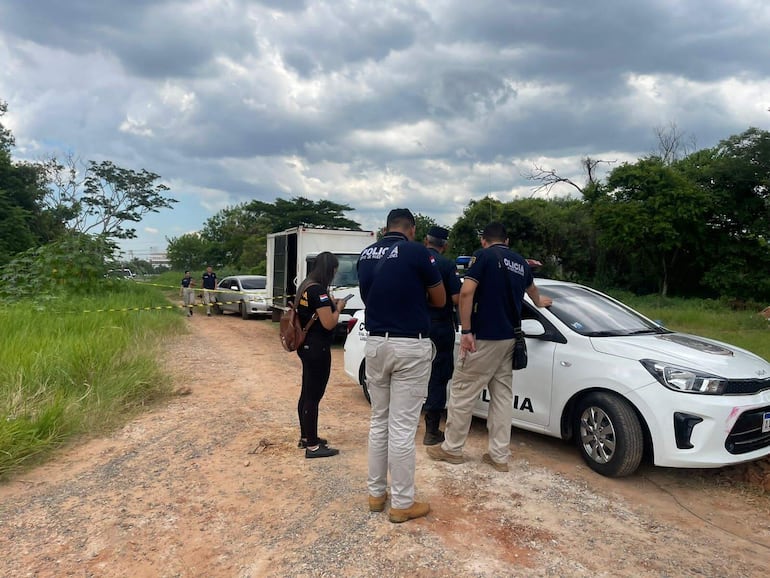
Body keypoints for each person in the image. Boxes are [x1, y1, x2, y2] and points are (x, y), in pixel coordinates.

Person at [427, 222, 552, 473]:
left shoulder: (482, 257)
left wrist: (466, 330)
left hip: (483, 338)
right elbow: (534, 291)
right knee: (502, 398)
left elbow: (466, 293)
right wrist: (542, 302)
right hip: (509, 339)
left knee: (463, 392)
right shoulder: (520, 262)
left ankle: (451, 449)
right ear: (506, 241)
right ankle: (499, 456)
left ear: (484, 241)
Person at [357, 208, 445, 523]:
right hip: (409, 345)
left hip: (376, 344)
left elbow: (370, 298)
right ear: (411, 229)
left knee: (379, 421)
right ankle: (403, 503)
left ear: (386, 227)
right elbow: (439, 299)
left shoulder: (366, 254)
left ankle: (376, 494)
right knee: (403, 427)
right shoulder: (416, 252)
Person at [295, 252, 350, 459]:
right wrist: (338, 308)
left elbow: (312, 312)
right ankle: (314, 447)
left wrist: (329, 305)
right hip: (318, 348)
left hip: (306, 346)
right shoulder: (319, 291)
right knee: (313, 397)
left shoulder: (306, 286)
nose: (335, 274)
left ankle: (306, 437)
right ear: (330, 270)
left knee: (306, 393)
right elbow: (329, 322)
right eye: (334, 271)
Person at [422, 225, 461, 446]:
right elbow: (456, 298)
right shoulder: (446, 264)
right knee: (438, 376)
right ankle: (431, 430)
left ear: (426, 241)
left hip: (415, 326)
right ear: (444, 245)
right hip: (439, 327)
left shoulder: (414, 260)